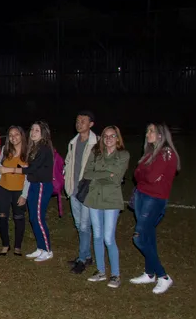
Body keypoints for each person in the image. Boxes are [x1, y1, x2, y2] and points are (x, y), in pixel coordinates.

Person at [129, 123, 180, 295]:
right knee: (148, 235)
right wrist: (143, 173)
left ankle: (163, 276)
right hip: (141, 196)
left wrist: (143, 173)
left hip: (154, 199)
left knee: (139, 238)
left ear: (161, 135)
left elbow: (148, 176)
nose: (148, 134)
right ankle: (149, 274)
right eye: (147, 131)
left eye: (151, 131)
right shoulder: (150, 153)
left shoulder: (166, 153)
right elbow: (136, 174)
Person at [0, 121, 54, 262]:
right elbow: (30, 167)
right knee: (33, 218)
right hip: (34, 184)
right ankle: (40, 248)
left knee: (38, 219)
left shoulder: (44, 148)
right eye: (32, 130)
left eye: (37, 130)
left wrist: (10, 170)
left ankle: (47, 250)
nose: (33, 133)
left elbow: (30, 169)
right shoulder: (34, 147)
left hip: (41, 185)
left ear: (43, 133)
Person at [84, 126, 130, 288]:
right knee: (97, 236)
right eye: (106, 136)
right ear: (102, 138)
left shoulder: (123, 155)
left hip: (111, 199)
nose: (109, 139)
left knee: (108, 238)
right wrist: (107, 173)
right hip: (94, 198)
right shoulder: (96, 153)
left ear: (118, 138)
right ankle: (101, 271)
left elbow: (117, 179)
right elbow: (87, 174)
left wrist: (101, 175)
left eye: (112, 136)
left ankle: (115, 275)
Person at [65, 111, 98, 274]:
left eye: (83, 121)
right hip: (74, 189)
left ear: (91, 124)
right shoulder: (73, 142)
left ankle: (82, 260)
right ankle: (88, 255)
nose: (79, 123)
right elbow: (69, 161)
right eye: (77, 121)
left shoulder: (96, 144)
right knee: (79, 225)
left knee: (85, 226)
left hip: (88, 191)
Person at [0, 126, 29, 256]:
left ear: (22, 136)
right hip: (3, 188)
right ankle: (5, 244)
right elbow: (0, 168)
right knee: (2, 217)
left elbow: (29, 177)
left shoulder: (27, 153)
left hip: (19, 190)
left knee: (18, 217)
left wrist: (24, 194)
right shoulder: (5, 150)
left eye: (16, 134)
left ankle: (17, 246)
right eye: (10, 135)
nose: (13, 137)